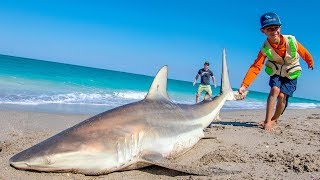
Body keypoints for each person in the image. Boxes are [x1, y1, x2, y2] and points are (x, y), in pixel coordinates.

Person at [238, 12, 314, 131]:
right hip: (276, 71)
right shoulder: (265, 48)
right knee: (275, 90)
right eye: (270, 29)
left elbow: (303, 52)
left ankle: (275, 119)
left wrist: (310, 62)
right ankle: (268, 121)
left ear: (280, 28)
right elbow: (256, 67)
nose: (274, 31)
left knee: (282, 96)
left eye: (276, 28)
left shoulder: (291, 40)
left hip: (291, 71)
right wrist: (244, 85)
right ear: (263, 31)